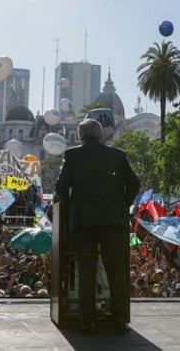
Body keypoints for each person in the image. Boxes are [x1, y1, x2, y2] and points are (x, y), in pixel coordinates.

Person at [55, 118, 140, 335]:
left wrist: (67, 208)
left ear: (81, 136)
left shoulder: (72, 155)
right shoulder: (117, 155)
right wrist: (122, 205)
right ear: (100, 135)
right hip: (113, 222)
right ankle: (120, 321)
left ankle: (88, 322)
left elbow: (61, 185)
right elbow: (134, 183)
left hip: (84, 223)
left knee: (87, 271)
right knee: (116, 271)